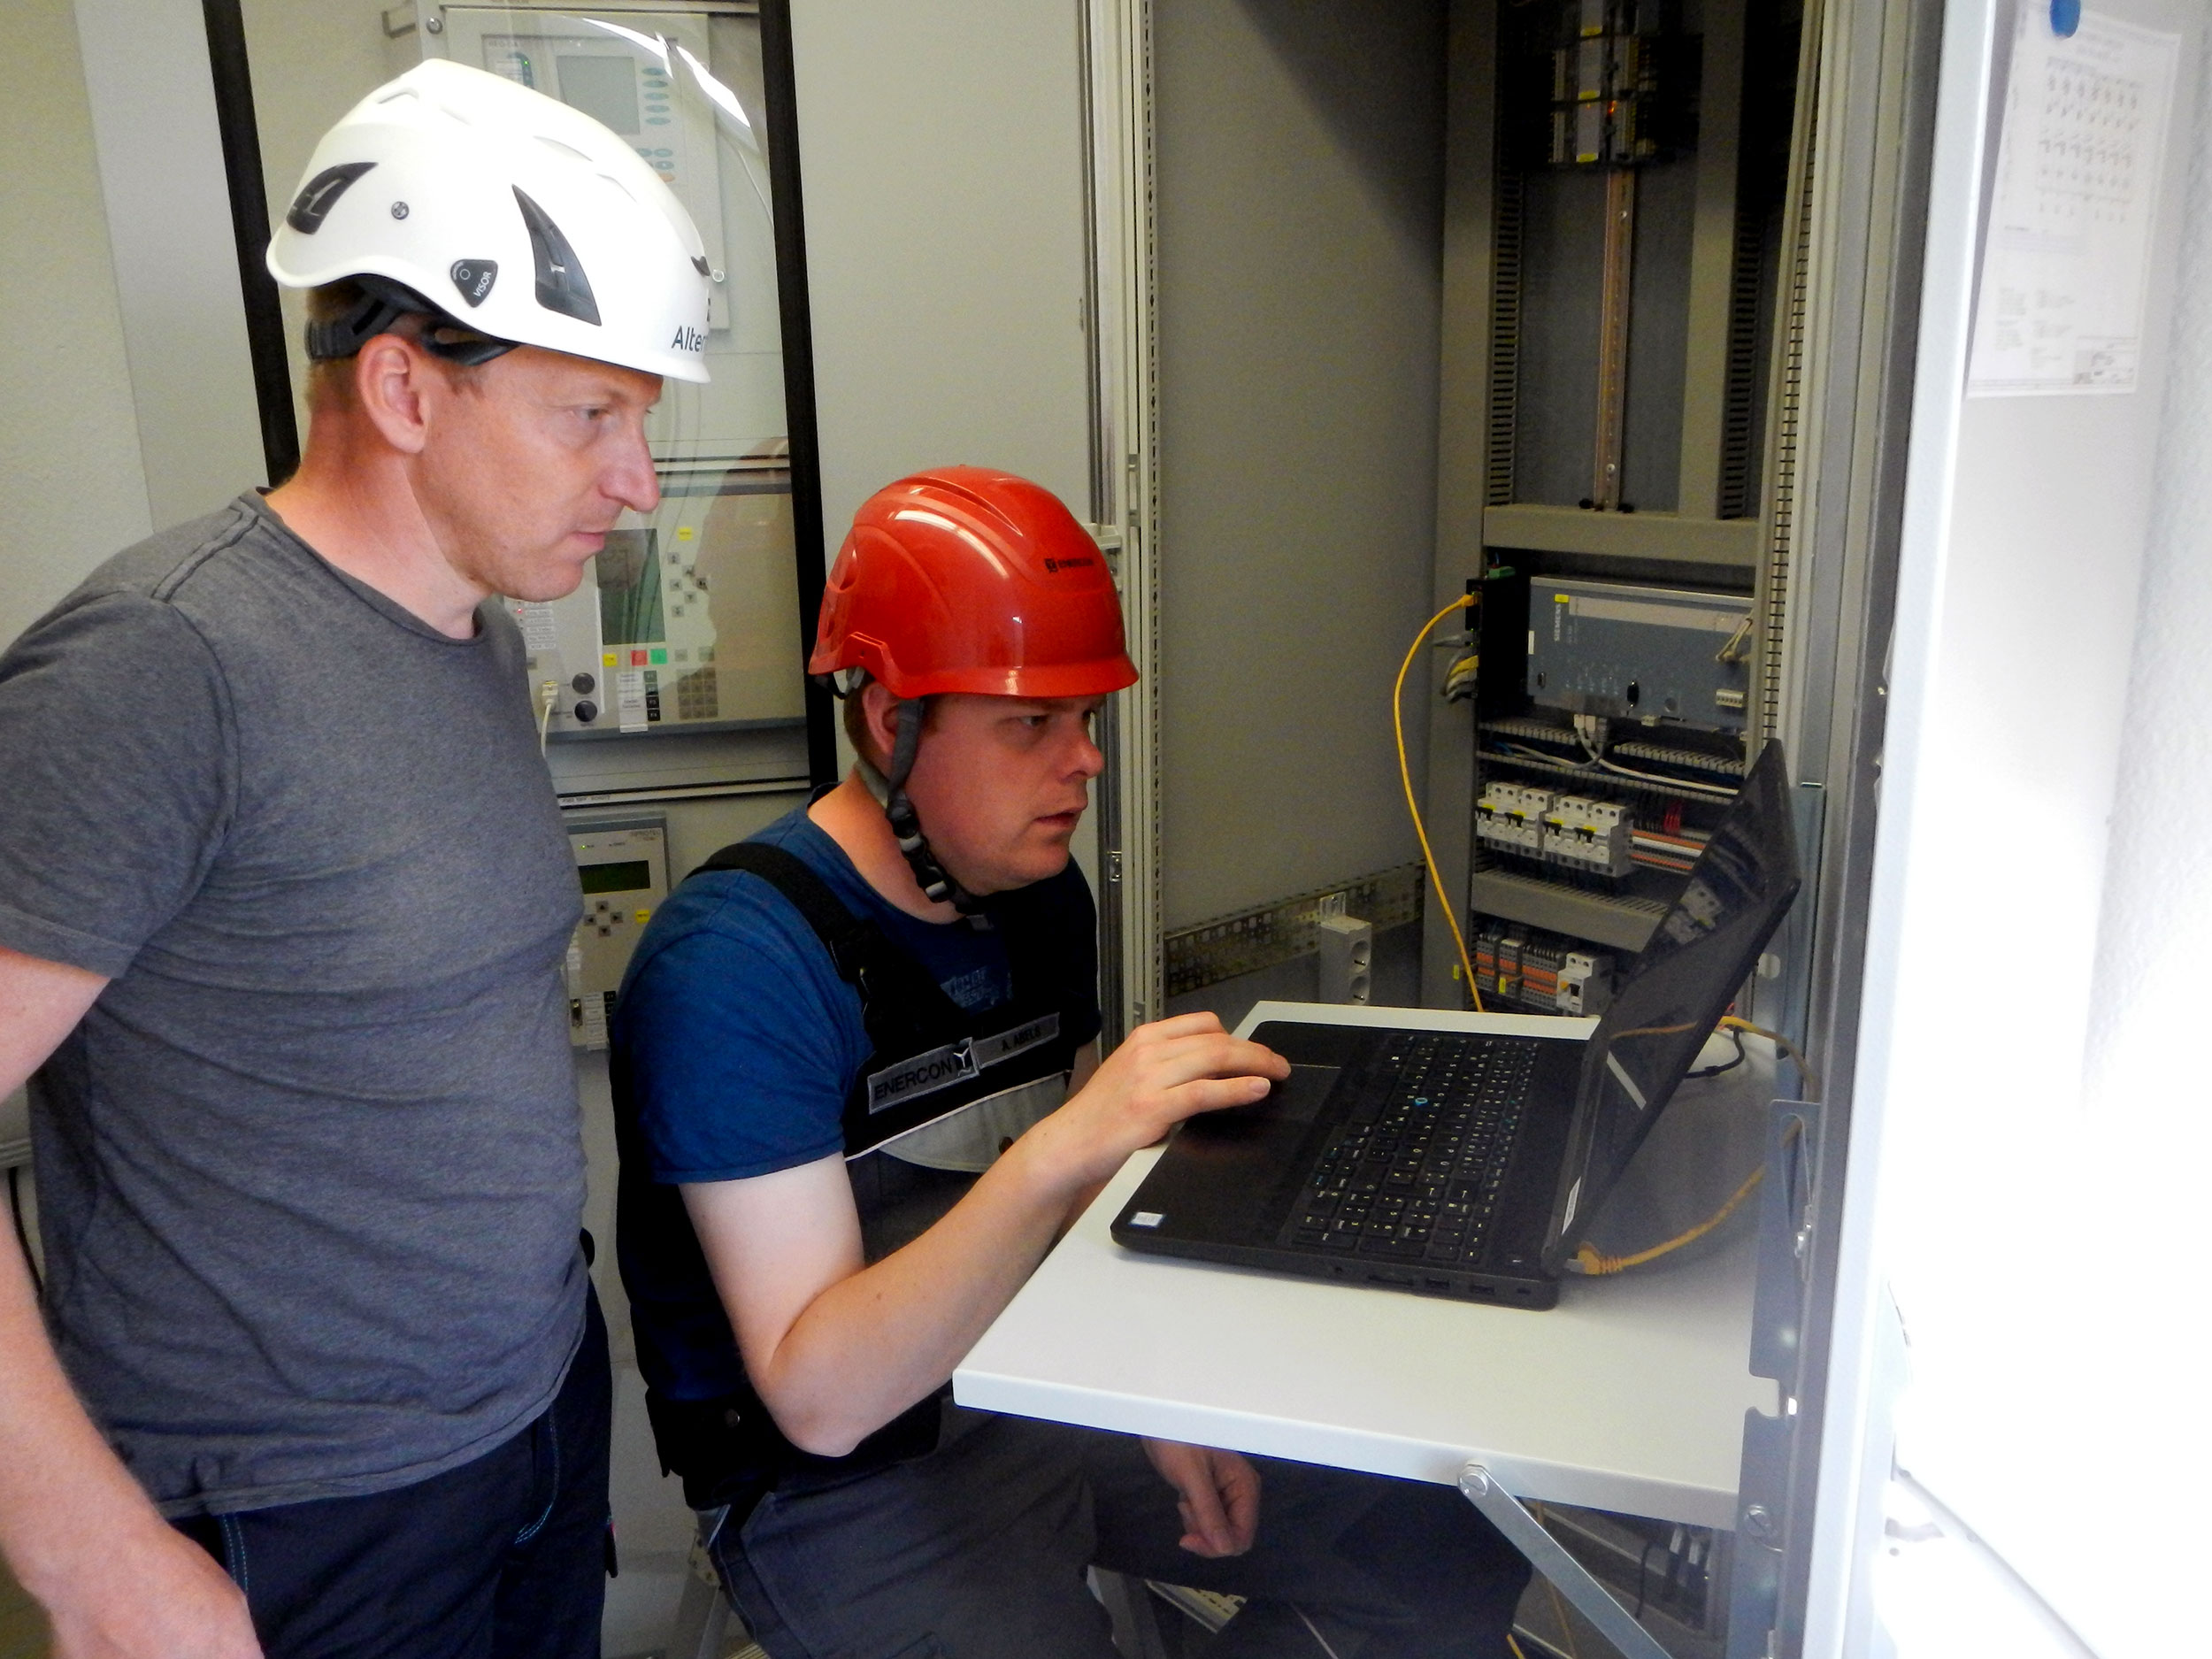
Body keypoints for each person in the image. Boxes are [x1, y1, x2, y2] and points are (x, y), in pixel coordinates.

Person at [0, 58, 712, 1659]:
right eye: (590, 414)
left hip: (525, 1427)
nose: (639, 482)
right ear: (401, 390)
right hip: (300, 1511)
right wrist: (96, 1562)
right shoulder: (160, 666)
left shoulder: (470, 636)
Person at [612, 466, 1532, 1658]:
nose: (1084, 763)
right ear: (891, 722)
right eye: (1031, 726)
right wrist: (1068, 1142)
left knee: (1444, 1537)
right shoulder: (739, 967)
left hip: (1043, 1392)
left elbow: (1094, 1220)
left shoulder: (1036, 899)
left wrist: (1156, 1396)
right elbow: (821, 1396)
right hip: (851, 1489)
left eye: (1087, 720)